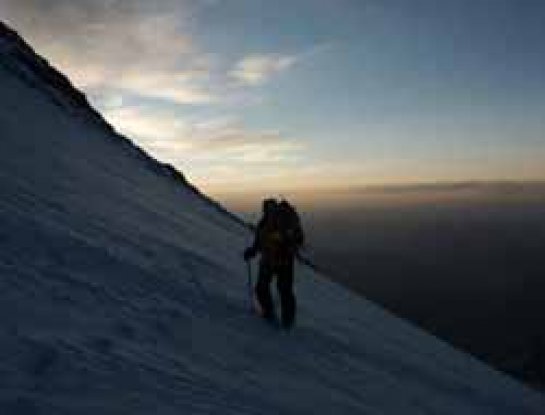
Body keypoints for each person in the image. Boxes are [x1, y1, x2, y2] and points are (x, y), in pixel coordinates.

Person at [243, 198, 304, 329]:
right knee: (282, 291)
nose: (268, 211)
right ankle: (281, 319)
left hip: (277, 262)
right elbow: (259, 243)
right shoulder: (264, 224)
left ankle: (275, 316)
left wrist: (251, 252)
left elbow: (259, 243)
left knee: (271, 289)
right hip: (280, 262)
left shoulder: (268, 223)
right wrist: (252, 251)